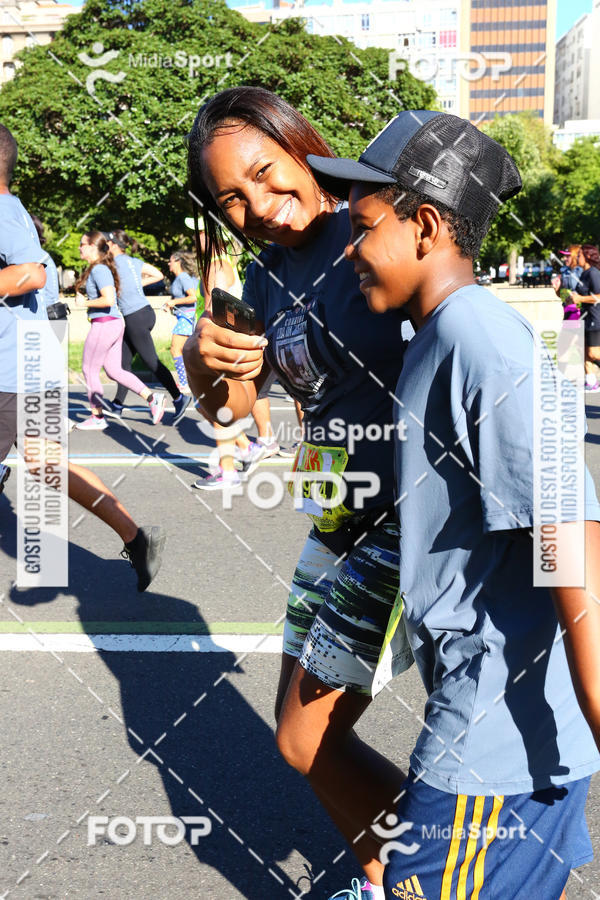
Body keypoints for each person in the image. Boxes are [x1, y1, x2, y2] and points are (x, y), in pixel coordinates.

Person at [307, 109, 600, 899]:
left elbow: (565, 537)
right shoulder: (435, 335)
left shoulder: (478, 339)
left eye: (364, 227)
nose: (351, 249)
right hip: (485, 727)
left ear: (427, 224)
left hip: (493, 751)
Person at [183, 86, 415, 899]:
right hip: (333, 518)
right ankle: (388, 873)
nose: (261, 207)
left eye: (266, 173)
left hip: (403, 523)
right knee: (297, 737)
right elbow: (233, 410)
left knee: (308, 738)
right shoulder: (264, 272)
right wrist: (201, 361)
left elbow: (457, 325)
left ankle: (445, 867)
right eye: (232, 200)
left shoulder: (370, 221)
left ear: (299, 145)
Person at [0, 123, 164, 592]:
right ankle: (137, 539)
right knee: (45, 463)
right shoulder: (13, 212)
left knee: (43, 462)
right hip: (28, 362)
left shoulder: (3, 213)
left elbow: (31, 273)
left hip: (14, 370)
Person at [74, 231, 167, 430]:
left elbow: (108, 299)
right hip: (113, 323)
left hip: (104, 324)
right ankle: (152, 397)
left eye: (82, 244)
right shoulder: (101, 268)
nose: (79, 248)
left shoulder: (99, 269)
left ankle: (97, 417)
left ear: (92, 246)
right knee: (114, 370)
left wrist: (85, 303)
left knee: (89, 370)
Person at [102, 230, 191, 425]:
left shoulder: (112, 264)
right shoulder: (133, 261)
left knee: (151, 362)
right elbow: (158, 275)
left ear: (114, 245)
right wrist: (136, 283)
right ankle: (117, 405)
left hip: (135, 317)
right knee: (122, 364)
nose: (104, 245)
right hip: (144, 313)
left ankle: (179, 397)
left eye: (107, 242)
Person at [166, 250, 200, 393]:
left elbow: (193, 297)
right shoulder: (183, 277)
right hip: (185, 317)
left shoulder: (183, 277)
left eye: (171, 261)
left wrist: (174, 301)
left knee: (175, 349)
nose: (169, 264)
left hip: (186, 318)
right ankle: (194, 382)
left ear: (178, 262)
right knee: (189, 353)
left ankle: (184, 383)